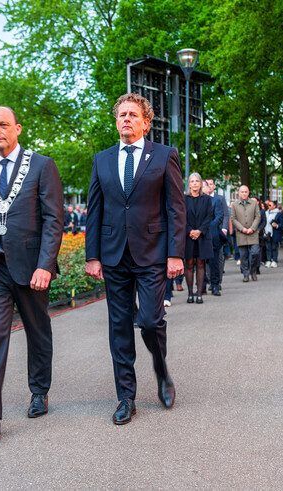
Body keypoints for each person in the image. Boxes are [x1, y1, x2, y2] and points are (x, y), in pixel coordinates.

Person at [85, 93, 186, 425]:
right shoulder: (102, 159)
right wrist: (93, 255)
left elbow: (175, 207)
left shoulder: (164, 156)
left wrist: (175, 253)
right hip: (115, 256)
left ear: (146, 121)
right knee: (119, 327)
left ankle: (161, 372)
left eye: (132, 114)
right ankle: (125, 396)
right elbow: (95, 211)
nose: (125, 119)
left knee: (151, 321)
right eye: (121, 115)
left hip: (153, 253)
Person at [0, 106, 64, 440]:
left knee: (38, 332)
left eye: (3, 125)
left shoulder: (41, 166)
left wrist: (45, 265)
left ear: (18, 128)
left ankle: (39, 390)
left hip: (30, 268)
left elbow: (54, 219)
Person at [183, 173, 214, 304]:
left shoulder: (206, 199)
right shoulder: (183, 199)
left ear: (201, 184)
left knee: (201, 264)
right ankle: (190, 294)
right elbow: (181, 217)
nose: (195, 183)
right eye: (192, 181)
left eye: (197, 181)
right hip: (188, 236)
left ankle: (199, 294)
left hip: (203, 236)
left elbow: (209, 216)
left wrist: (200, 231)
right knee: (189, 264)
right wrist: (190, 230)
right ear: (189, 184)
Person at [203, 178, 228, 296]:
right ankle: (202, 285)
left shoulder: (217, 200)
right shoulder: (195, 201)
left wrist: (208, 227)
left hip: (213, 235)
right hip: (200, 235)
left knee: (215, 261)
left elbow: (220, 216)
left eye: (206, 186)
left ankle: (215, 285)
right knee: (202, 262)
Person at [231, 186, 261, 282]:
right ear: (239, 193)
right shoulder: (234, 204)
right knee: (243, 256)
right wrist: (242, 228)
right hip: (241, 234)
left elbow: (258, 217)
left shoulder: (254, 203)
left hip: (253, 233)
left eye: (246, 192)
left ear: (248, 193)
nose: (244, 193)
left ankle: (253, 270)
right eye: (242, 192)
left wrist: (252, 228)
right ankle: (245, 274)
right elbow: (233, 219)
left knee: (255, 253)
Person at [263, 200, 283, 267]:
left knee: (274, 247)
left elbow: (282, 224)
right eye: (268, 205)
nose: (268, 206)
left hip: (275, 233)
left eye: (270, 205)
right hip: (267, 233)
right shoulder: (265, 213)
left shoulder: (279, 214)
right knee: (268, 247)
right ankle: (269, 260)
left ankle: (274, 260)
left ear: (274, 206)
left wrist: (277, 225)